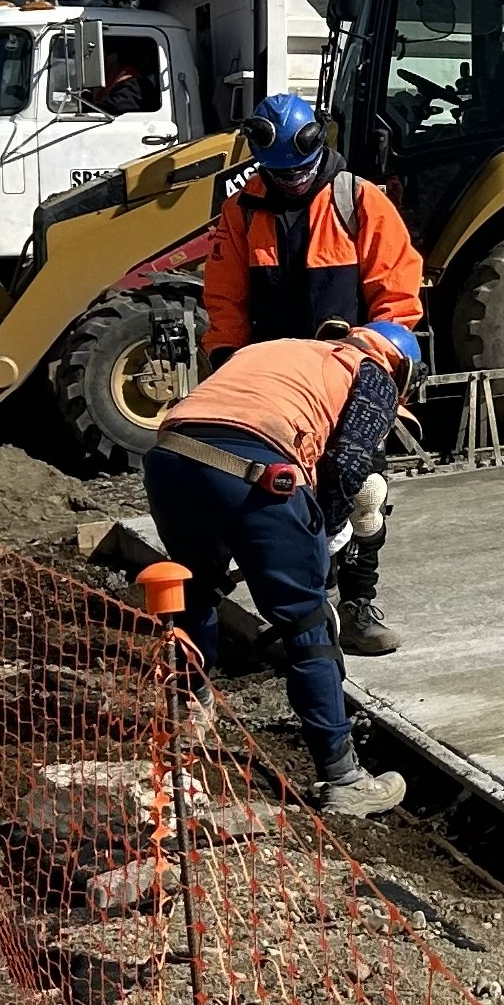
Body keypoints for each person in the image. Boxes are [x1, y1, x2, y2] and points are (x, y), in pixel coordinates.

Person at [144, 319, 419, 815]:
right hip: (256, 473)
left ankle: (187, 713)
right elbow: (348, 465)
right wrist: (325, 531)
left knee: (196, 586)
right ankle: (343, 777)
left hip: (170, 457)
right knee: (306, 620)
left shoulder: (278, 346)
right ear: (402, 371)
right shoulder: (373, 372)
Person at [203, 93, 426, 358]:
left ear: (318, 146)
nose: (295, 180)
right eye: (284, 175)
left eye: (303, 169)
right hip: (271, 366)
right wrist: (225, 351)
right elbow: (225, 294)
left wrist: (377, 354)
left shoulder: (357, 199)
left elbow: (395, 289)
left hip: (345, 365)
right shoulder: (241, 210)